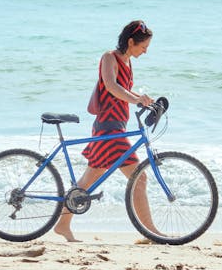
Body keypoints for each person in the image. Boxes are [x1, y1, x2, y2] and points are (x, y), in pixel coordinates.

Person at [53, 20, 156, 242]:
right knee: (140, 178)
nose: (145, 51)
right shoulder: (109, 57)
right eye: (143, 46)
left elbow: (123, 91)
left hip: (116, 126)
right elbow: (111, 86)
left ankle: (62, 224)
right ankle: (151, 233)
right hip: (108, 129)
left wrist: (142, 99)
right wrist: (137, 99)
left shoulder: (128, 63)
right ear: (131, 41)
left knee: (89, 179)